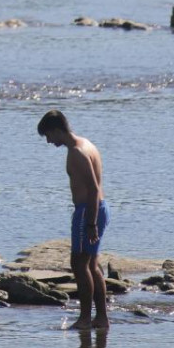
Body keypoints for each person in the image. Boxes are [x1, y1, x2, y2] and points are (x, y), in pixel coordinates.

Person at [37, 108, 109, 327]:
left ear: (57, 130)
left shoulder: (77, 151)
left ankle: (86, 318)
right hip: (99, 208)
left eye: (48, 136)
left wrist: (90, 223)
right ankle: (101, 319)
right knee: (92, 264)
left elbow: (94, 189)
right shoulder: (87, 144)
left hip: (88, 210)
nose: (48, 142)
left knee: (79, 264)